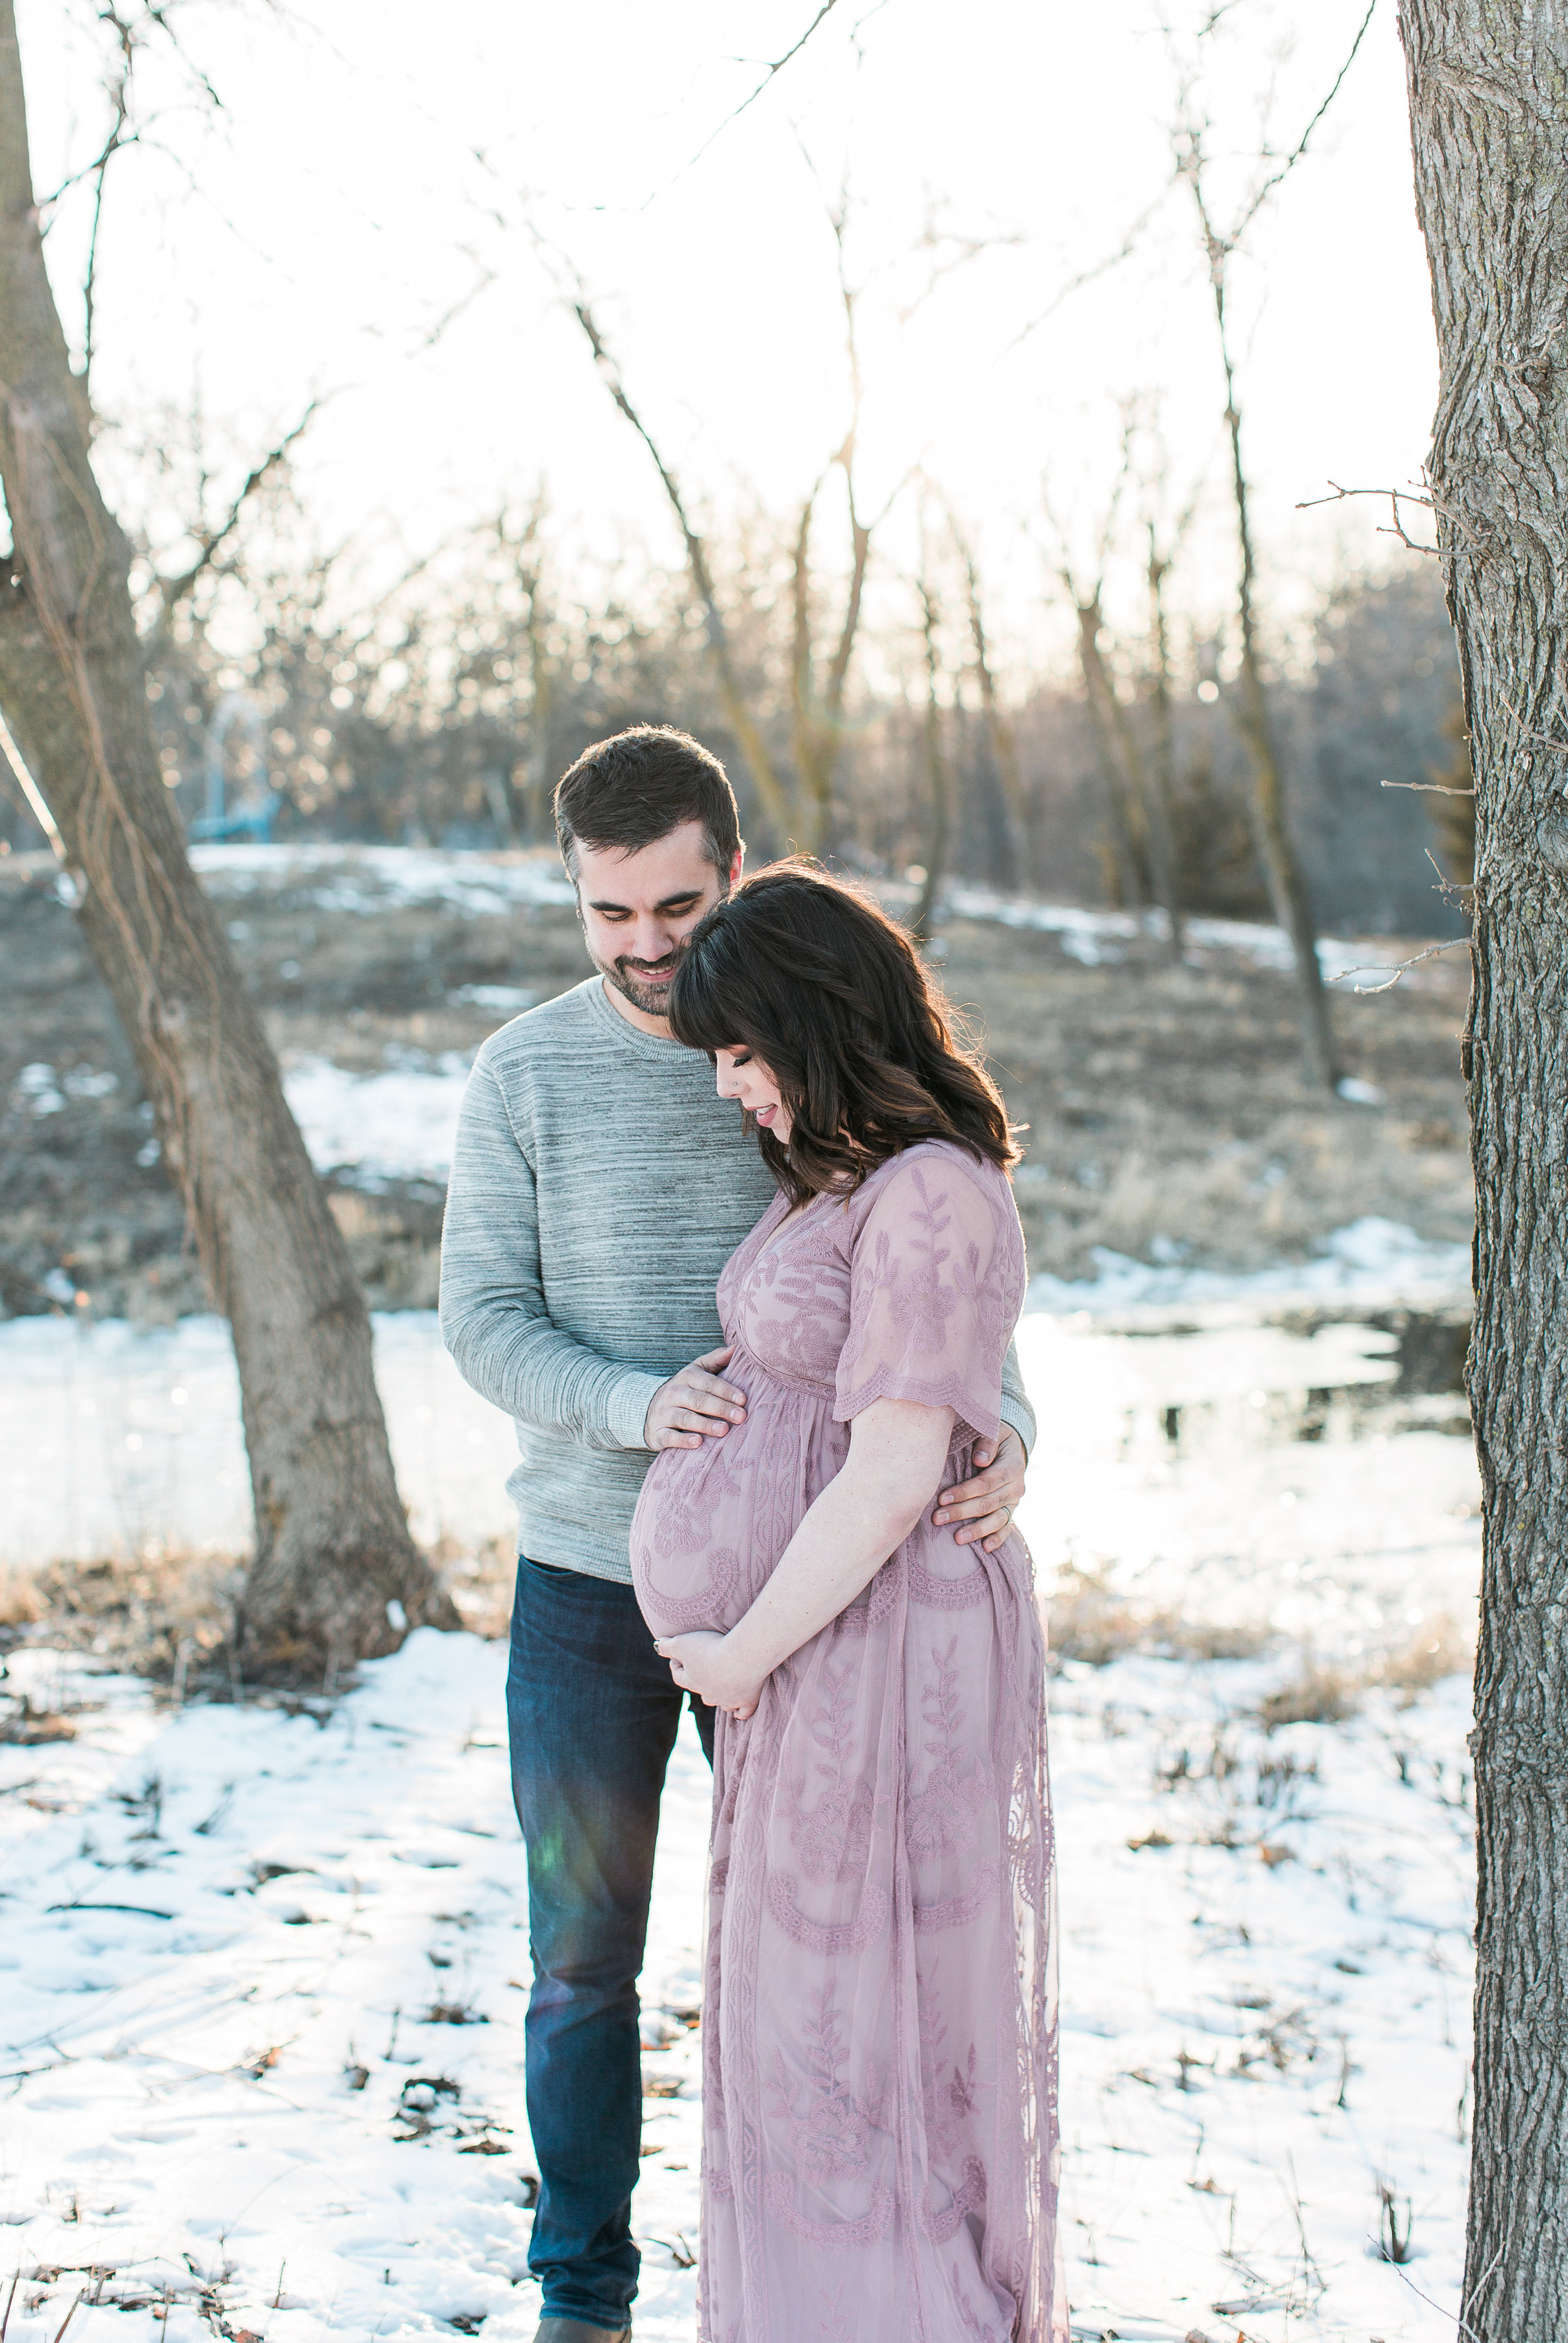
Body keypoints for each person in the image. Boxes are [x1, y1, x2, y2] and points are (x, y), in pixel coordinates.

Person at [440, 726, 1038, 2343]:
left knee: (829, 1959)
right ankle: (585, 2293)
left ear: (734, 870)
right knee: (581, 1963)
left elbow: (921, 1258)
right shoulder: (524, 1075)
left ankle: (832, 2279)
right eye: (608, 913)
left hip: (810, 1603)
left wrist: (1013, 1429)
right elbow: (479, 1320)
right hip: (584, 1587)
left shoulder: (784, 1033)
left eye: (674, 908)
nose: (645, 948)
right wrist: (641, 1408)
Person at [632, 864, 1066, 2342]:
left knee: (857, 2031)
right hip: (820, 1654)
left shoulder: (932, 1189)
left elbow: (890, 1473)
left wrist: (742, 1656)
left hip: (875, 1652)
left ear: (810, 1025)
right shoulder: (860, 1179)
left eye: (741, 1055)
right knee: (805, 2031)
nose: (727, 1090)